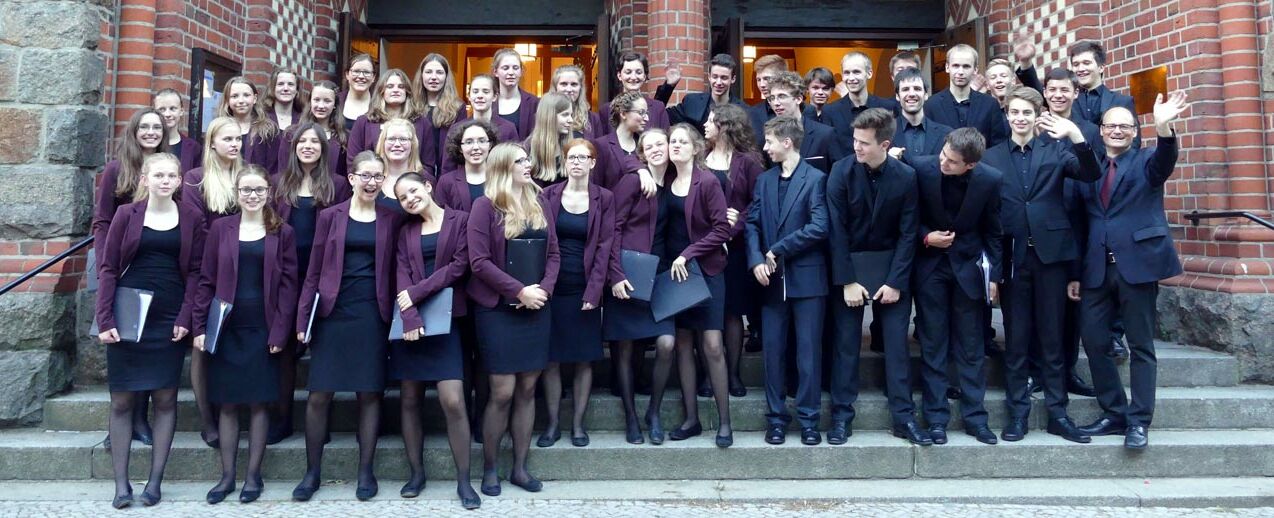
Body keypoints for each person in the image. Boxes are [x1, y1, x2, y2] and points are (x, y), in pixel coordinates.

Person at [981, 86, 1101, 443]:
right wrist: (993, 270)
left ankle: (1058, 413)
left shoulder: (1057, 149)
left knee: (1052, 338)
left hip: (1052, 258)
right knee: (1017, 339)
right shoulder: (991, 156)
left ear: (1038, 116)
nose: (1020, 118)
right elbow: (988, 216)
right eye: (1014, 112)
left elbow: (1091, 173)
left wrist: (1076, 135)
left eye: (1027, 113)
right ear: (1007, 116)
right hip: (1013, 258)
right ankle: (1017, 413)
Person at [1076, 92, 1189, 450]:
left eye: (1125, 126)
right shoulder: (1089, 166)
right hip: (1095, 268)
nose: (1118, 131)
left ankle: (1139, 421)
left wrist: (1164, 128)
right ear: (1101, 130)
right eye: (1111, 126)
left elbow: (1165, 160)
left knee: (1140, 346)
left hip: (1137, 267)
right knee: (1094, 342)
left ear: (1136, 131)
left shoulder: (1145, 162)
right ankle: (1114, 412)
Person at [96, 153, 205, 508]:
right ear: (145, 178)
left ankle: (155, 483)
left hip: (169, 316)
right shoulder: (127, 216)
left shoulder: (191, 217)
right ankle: (121, 485)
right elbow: (109, 268)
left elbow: (197, 273)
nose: (165, 180)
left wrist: (186, 317)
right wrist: (105, 319)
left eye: (171, 175)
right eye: (158, 174)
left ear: (178, 181)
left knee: (165, 399)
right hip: (129, 313)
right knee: (123, 399)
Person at [291, 151, 398, 502]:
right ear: (351, 178)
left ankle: (365, 472)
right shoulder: (330, 217)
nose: (371, 182)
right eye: (364, 176)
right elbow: (313, 271)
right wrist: (303, 319)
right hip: (332, 314)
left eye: (377, 177)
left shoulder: (391, 217)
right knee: (319, 394)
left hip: (372, 314)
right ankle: (311, 472)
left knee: (370, 393)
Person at [192, 166, 297, 504]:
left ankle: (253, 476)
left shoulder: (283, 231)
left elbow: (288, 287)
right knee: (226, 404)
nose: (253, 196)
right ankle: (227, 477)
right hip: (226, 327)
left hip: (264, 327)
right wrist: (199, 327)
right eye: (246, 190)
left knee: (259, 404)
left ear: (269, 192)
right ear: (237, 194)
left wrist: (281, 330)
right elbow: (206, 280)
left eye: (259, 190)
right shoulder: (221, 229)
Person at [825, 108, 925, 445]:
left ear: (885, 144)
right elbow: (835, 232)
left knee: (897, 346)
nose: (856, 147)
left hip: (891, 267)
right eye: (854, 140)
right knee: (845, 345)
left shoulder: (906, 176)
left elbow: (908, 234)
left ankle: (904, 417)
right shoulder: (840, 172)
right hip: (850, 266)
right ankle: (841, 416)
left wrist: (896, 282)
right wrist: (847, 281)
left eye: (864, 143)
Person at [467, 143, 559, 496]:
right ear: (504, 167)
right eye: (520, 160)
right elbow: (479, 262)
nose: (528, 164)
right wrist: (519, 291)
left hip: (537, 308)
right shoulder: (484, 206)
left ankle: (520, 469)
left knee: (527, 389)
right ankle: (490, 469)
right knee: (502, 391)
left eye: (527, 159)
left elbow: (553, 253)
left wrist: (543, 291)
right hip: (498, 312)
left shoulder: (541, 201)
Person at [391, 172, 481, 508]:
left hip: (448, 320)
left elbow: (460, 266)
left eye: (413, 190)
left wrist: (416, 293)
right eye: (402, 197)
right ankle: (416, 473)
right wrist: (410, 314)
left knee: (453, 400)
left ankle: (464, 480)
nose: (410, 199)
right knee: (410, 399)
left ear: (428, 187)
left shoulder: (461, 220)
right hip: (412, 323)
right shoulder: (405, 231)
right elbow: (400, 273)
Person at [909, 128, 1003, 446]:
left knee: (971, 347)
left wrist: (994, 277)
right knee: (933, 345)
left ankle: (976, 418)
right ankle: (936, 419)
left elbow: (993, 231)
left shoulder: (989, 180)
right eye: (943, 154)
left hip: (968, 267)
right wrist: (926, 236)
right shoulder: (922, 169)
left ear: (971, 165)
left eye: (951, 162)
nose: (943, 162)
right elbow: (910, 218)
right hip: (931, 267)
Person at [748, 115, 829, 446]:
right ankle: (776, 419)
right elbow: (751, 222)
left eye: (768, 141)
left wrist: (778, 249)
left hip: (807, 279)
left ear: (787, 142)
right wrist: (755, 259)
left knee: (808, 355)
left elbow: (820, 226)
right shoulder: (764, 180)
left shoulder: (817, 179)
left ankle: (809, 420)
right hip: (769, 280)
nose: (764, 148)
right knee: (773, 353)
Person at [92, 108, 169, 452]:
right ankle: (120, 424)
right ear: (134, 131)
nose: (151, 132)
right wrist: (108, 258)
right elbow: (102, 220)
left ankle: (142, 419)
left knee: (149, 349)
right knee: (127, 348)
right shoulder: (116, 168)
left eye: (157, 127)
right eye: (145, 127)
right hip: (124, 269)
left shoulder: (168, 168)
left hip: (156, 270)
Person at [270, 121, 351, 444]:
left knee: (322, 348)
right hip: (286, 276)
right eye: (302, 141)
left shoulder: (338, 185)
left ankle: (323, 420)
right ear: (293, 147)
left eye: (314, 142)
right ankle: (282, 418)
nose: (307, 146)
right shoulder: (277, 184)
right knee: (285, 349)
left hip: (324, 275)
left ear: (323, 149)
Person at [537, 139, 615, 448]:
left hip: (585, 286)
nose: (577, 162)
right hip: (553, 285)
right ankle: (554, 423)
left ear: (593, 163)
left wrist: (594, 291)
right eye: (572, 157)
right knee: (553, 358)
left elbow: (605, 246)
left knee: (584, 359)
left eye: (584, 157)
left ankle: (578, 425)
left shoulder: (604, 198)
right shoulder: (549, 194)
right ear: (565, 162)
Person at [661, 123, 734, 447]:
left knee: (712, 345)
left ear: (695, 148)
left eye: (681, 142)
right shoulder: (663, 180)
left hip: (707, 269)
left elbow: (722, 230)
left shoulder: (708, 182)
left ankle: (725, 423)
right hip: (675, 274)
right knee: (682, 345)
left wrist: (689, 253)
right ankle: (691, 419)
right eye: (671, 141)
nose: (675, 145)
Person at [605, 129, 677, 445]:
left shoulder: (678, 178)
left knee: (666, 344)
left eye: (661, 143)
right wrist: (616, 274)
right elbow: (612, 227)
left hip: (663, 274)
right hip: (630, 271)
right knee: (624, 348)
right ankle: (631, 418)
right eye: (649, 146)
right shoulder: (633, 180)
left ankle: (654, 411)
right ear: (642, 153)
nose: (656, 149)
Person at [182, 116, 245, 448]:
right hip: (209, 271)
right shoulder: (195, 180)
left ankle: (231, 411)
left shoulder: (245, 177)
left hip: (246, 269)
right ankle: (208, 419)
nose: (235, 144)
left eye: (238, 139)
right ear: (213, 143)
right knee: (203, 346)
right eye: (228, 139)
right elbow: (197, 229)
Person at [703, 103, 764, 397]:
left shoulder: (748, 161)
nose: (705, 125)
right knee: (705, 311)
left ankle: (734, 373)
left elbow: (758, 201)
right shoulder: (700, 156)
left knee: (732, 311)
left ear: (725, 126)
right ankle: (707, 373)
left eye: (711, 121)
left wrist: (737, 220)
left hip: (736, 249)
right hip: (704, 248)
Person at [1015, 39, 1140, 148]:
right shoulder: (1065, 99)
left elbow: (1133, 143)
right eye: (1076, 64)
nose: (1080, 69)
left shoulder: (1122, 101)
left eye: (1086, 63)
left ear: (1101, 67)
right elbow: (1037, 88)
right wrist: (1026, 62)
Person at [924, 44, 1010, 149]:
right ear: (947, 67)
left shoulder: (990, 104)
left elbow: (999, 147)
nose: (960, 72)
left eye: (966, 66)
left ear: (975, 70)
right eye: (955, 66)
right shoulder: (932, 105)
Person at [765, 71, 841, 173]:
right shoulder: (769, 136)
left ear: (798, 99)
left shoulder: (825, 134)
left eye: (782, 96)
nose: (776, 103)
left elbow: (838, 173)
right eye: (772, 98)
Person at [348, 69, 422, 171]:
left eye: (401, 87)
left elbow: (427, 164)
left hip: (411, 182)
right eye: (390, 86)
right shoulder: (363, 122)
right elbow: (353, 162)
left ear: (407, 91)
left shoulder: (421, 122)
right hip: (372, 183)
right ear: (381, 91)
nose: (396, 90)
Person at [655, 53, 745, 134]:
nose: (718, 82)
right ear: (709, 77)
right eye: (715, 77)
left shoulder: (743, 110)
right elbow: (657, 115)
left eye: (724, 78)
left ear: (733, 79)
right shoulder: (693, 103)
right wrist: (668, 87)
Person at [824, 52, 900, 148]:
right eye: (847, 73)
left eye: (856, 72)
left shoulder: (887, 107)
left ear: (869, 73)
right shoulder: (830, 111)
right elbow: (830, 149)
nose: (851, 78)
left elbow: (892, 142)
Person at [278, 80, 349, 180]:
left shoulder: (344, 137)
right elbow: (284, 171)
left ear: (335, 105)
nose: (321, 106)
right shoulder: (291, 134)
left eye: (327, 101)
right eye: (316, 100)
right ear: (310, 102)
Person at [592, 90, 656, 192]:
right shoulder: (601, 145)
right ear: (623, 114)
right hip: (612, 207)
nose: (647, 118)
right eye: (641, 113)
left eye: (647, 113)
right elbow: (596, 187)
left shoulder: (645, 144)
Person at [413, 53, 465, 177]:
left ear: (446, 77)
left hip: (447, 173)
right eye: (429, 72)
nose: (434, 77)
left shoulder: (458, 107)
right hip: (416, 172)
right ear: (421, 76)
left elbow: (459, 146)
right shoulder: (411, 106)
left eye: (439, 72)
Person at [889, 67, 955, 163]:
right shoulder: (883, 133)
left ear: (926, 95)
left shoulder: (946, 134)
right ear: (897, 96)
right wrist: (886, 162)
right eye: (905, 89)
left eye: (917, 89)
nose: (911, 94)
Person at [216, 76, 281, 173]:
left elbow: (274, 169)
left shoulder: (268, 130)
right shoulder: (218, 130)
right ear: (227, 100)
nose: (241, 101)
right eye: (234, 96)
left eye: (246, 95)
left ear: (254, 98)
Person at [599, 51, 671, 134]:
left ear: (644, 76)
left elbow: (665, 140)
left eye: (638, 72)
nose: (633, 77)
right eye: (628, 72)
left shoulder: (658, 108)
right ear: (619, 76)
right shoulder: (606, 110)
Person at [436, 119, 498, 212]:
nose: (476, 147)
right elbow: (441, 218)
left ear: (490, 145)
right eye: (469, 142)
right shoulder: (446, 182)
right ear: (460, 147)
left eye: (482, 141)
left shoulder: (501, 177)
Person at [374, 118, 429, 211]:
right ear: (383, 143)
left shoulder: (425, 178)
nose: (397, 144)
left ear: (413, 144)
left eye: (403, 139)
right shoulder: (373, 179)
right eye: (391, 139)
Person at [527, 92, 577, 187]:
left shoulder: (573, 148)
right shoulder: (527, 149)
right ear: (549, 116)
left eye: (571, 115)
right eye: (565, 115)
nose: (571, 120)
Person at [492, 47, 540, 140]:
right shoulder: (488, 102)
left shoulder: (534, 103)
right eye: (505, 68)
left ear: (521, 71)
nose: (511, 72)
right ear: (495, 72)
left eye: (515, 68)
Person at [550, 64, 606, 139]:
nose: (569, 89)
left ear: (581, 88)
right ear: (555, 87)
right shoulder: (542, 116)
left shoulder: (593, 119)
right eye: (564, 84)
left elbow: (599, 148)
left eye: (574, 84)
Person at [153, 89, 202, 173]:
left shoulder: (194, 148)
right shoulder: (147, 143)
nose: (167, 114)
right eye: (162, 109)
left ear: (181, 111)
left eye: (173, 108)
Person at [464, 73, 520, 145]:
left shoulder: (508, 129)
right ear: (469, 96)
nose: (480, 96)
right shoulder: (458, 129)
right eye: (475, 91)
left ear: (495, 97)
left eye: (485, 92)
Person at [746, 54, 788, 146]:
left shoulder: (803, 110)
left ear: (782, 78)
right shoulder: (751, 114)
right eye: (758, 79)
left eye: (766, 79)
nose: (762, 85)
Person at [340, 53, 376, 130]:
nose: (361, 76)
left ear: (373, 77)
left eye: (366, 72)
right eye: (356, 71)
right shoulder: (335, 102)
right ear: (347, 74)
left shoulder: (380, 105)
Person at [263, 68, 304, 133]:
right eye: (280, 84)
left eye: (290, 84)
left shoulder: (304, 120)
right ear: (273, 88)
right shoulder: (261, 116)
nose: (286, 88)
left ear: (296, 90)